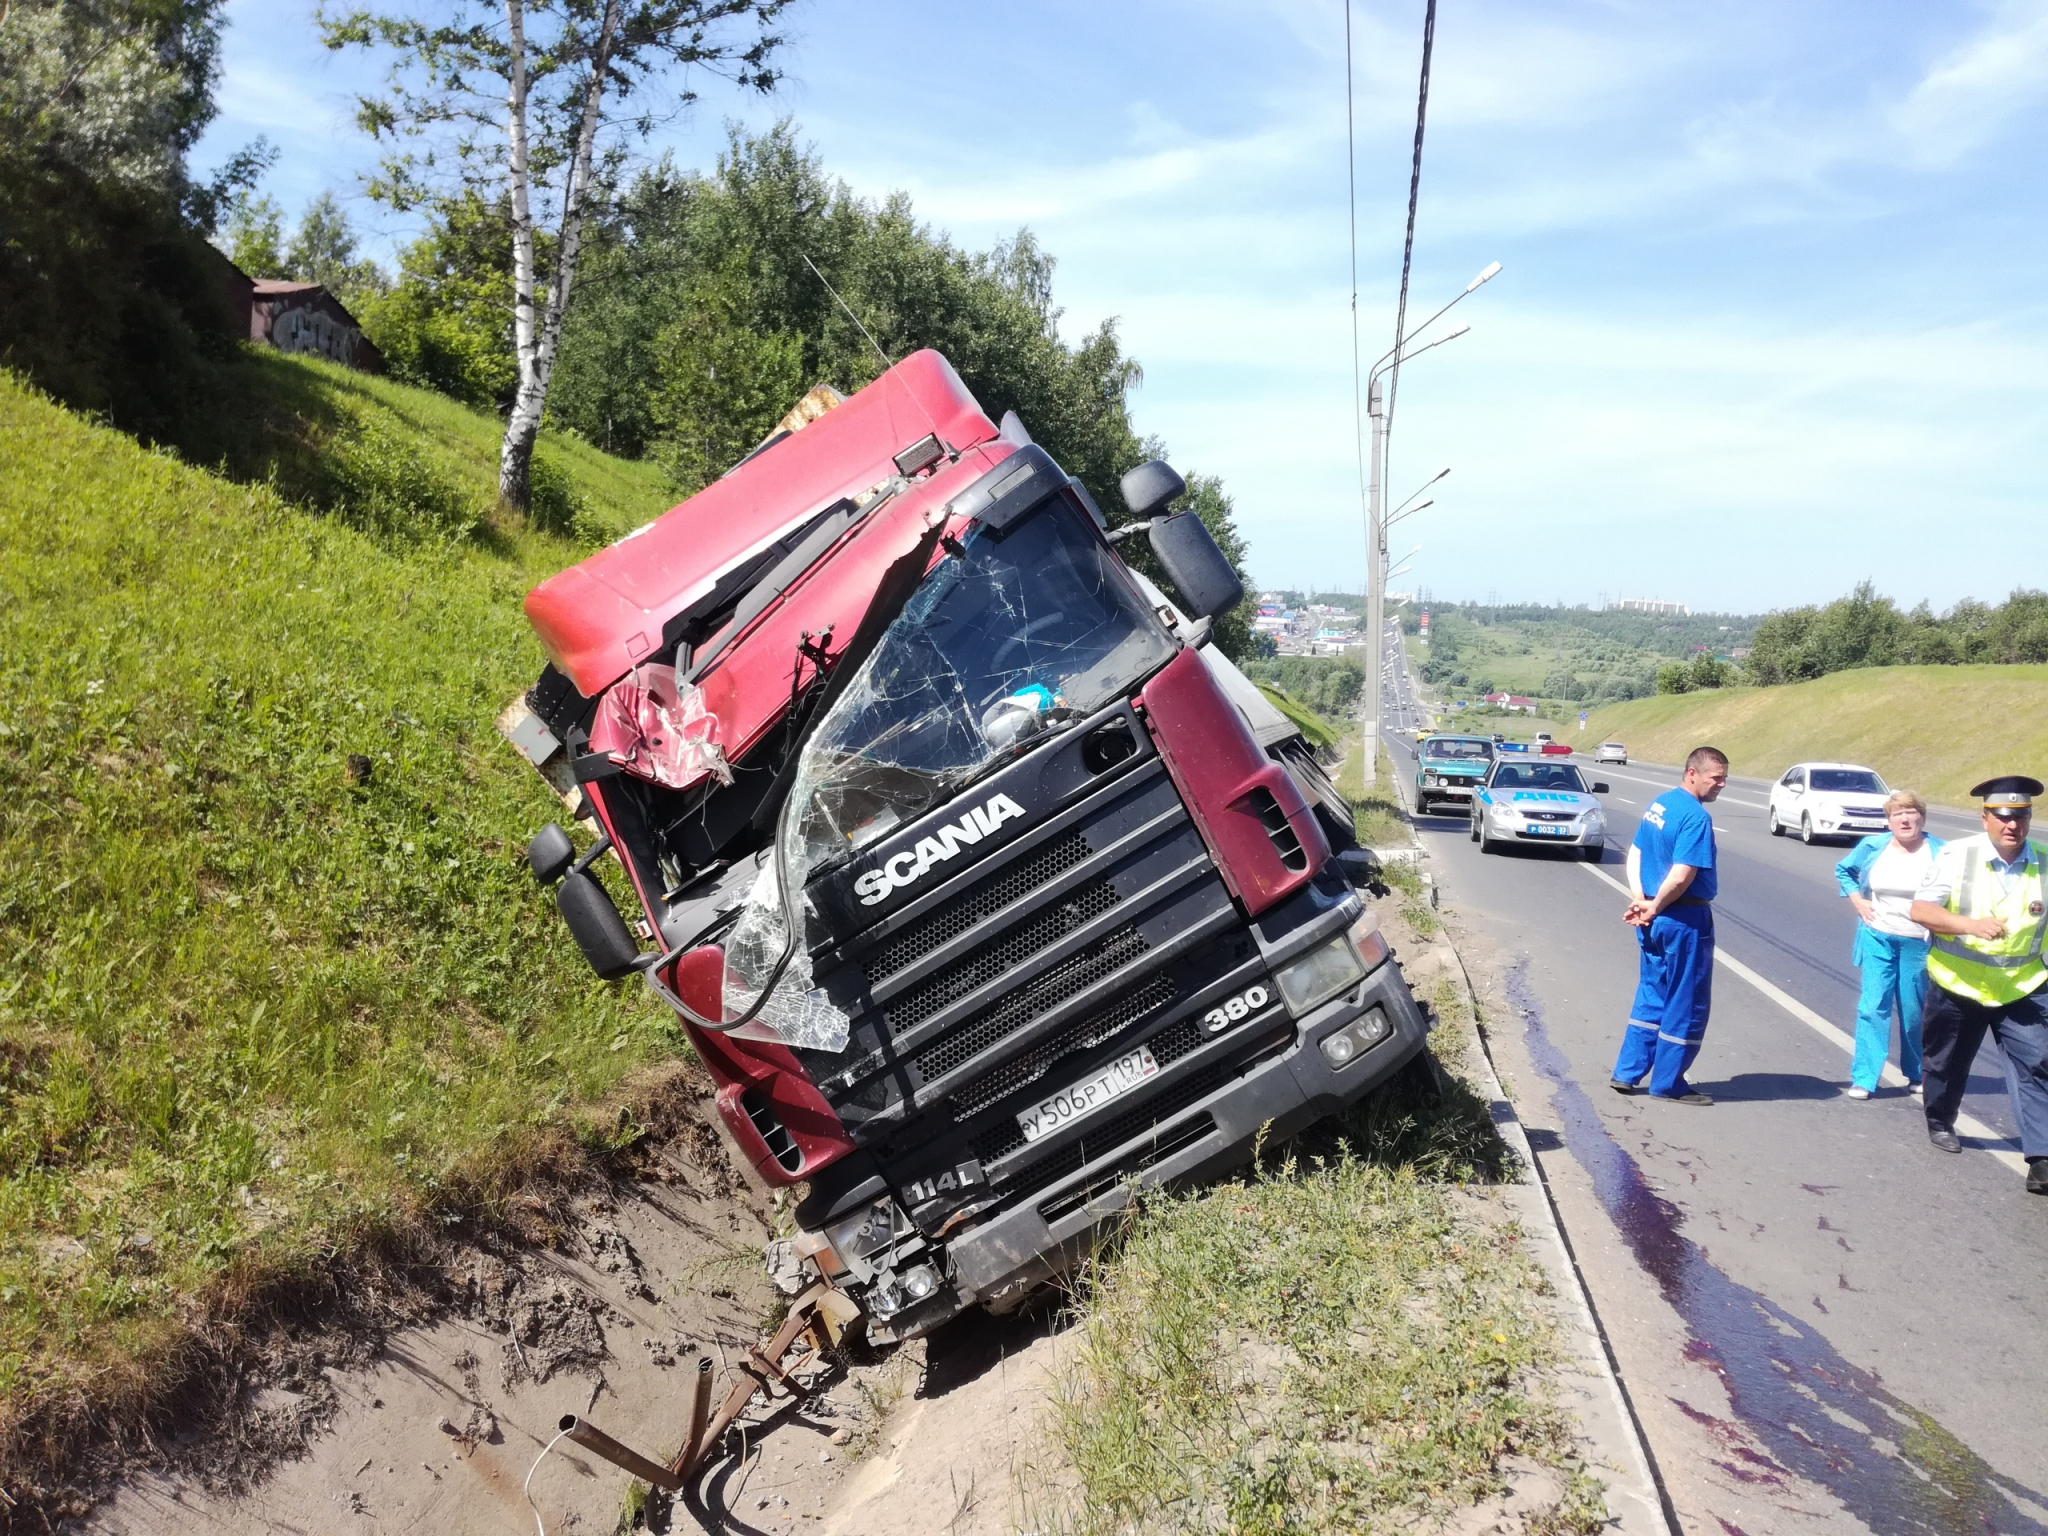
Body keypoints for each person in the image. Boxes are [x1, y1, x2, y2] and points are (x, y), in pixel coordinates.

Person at [1909, 775, 2048, 1195]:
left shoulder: (2044, 862)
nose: (2013, 825)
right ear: (1985, 817)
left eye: (2021, 816)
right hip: (1958, 984)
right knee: (1947, 1065)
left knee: (2038, 1063)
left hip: (2021, 987)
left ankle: (2041, 1159)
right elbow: (1920, 910)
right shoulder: (1956, 856)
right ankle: (1940, 1118)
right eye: (2004, 816)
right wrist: (1969, 926)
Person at [1611, 746, 1730, 1104]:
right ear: (1693, 773)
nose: (1722, 785)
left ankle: (1627, 1073)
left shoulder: (1661, 803)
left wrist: (1640, 899)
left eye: (1725, 778)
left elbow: (1636, 853)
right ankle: (1669, 1083)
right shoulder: (1695, 817)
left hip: (1654, 917)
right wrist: (1654, 905)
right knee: (1686, 1000)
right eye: (1716, 778)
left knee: (1652, 993)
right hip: (1683, 918)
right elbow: (1682, 875)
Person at [1834, 790, 1943, 1099]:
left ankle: (1915, 1072)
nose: (1905, 819)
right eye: (1898, 814)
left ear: (1922, 818)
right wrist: (1857, 900)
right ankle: (1865, 1078)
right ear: (1889, 820)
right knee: (1873, 1006)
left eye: (1911, 813)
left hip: (1917, 942)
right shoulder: (1874, 846)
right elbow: (1844, 870)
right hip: (1877, 936)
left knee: (1913, 1011)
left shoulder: (1940, 852)